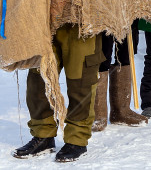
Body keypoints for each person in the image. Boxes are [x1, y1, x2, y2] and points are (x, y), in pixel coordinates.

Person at [13, 25, 103, 162]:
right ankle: (43, 135)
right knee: (38, 81)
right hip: (46, 20)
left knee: (80, 84)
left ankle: (77, 140)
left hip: (83, 21)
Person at [93, 21, 148, 131]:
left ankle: (121, 111)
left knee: (126, 53)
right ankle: (98, 114)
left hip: (128, 12)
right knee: (102, 55)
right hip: (104, 13)